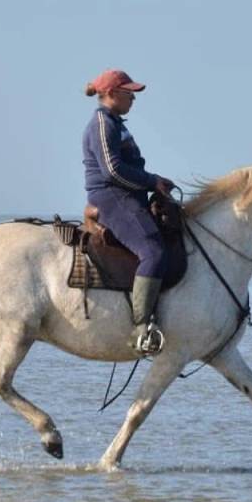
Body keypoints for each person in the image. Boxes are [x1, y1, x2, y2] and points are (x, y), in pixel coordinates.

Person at [81, 69, 176, 355]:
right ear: (111, 94)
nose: (133, 98)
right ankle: (141, 328)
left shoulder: (115, 122)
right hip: (112, 197)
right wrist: (152, 181)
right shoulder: (102, 124)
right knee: (153, 252)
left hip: (127, 194)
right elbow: (112, 171)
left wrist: (153, 183)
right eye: (128, 93)